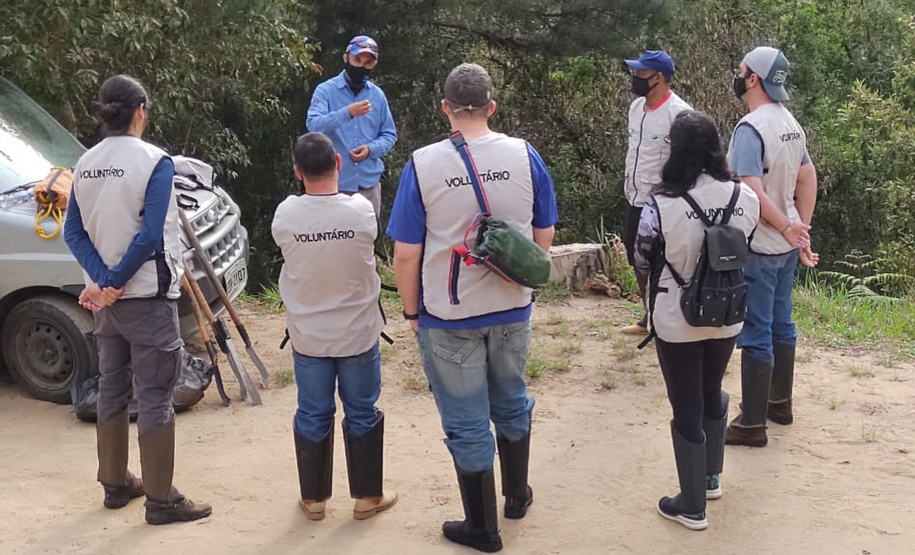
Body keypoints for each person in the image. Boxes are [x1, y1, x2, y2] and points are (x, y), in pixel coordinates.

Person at [388, 63, 558, 553]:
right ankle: (517, 495)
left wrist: (412, 312)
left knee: (465, 419)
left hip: (449, 313)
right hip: (512, 306)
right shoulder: (525, 156)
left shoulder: (422, 165)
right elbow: (543, 231)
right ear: (492, 107)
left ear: (446, 109)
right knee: (511, 398)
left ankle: (482, 529)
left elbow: (406, 252)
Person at [64, 75, 211, 525]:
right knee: (154, 394)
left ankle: (115, 482)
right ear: (141, 110)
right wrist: (119, 281)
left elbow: (73, 230)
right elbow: (150, 234)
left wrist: (105, 283)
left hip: (103, 301)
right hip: (147, 295)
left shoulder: (84, 163)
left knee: (112, 384)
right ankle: (161, 499)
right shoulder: (155, 162)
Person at [635, 111, 760, 530]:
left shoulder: (662, 203)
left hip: (676, 315)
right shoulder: (746, 197)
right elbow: (748, 244)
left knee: (684, 404)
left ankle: (691, 507)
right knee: (711, 389)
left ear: (675, 150)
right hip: (727, 313)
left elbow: (642, 255)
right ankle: (709, 478)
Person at [272, 132, 396, 521]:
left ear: (297, 172)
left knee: (312, 412)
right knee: (362, 410)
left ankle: (314, 500)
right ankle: (366, 497)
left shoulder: (286, 216)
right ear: (338, 163)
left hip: (309, 335)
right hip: (358, 331)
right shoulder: (360, 211)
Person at [725, 47, 819, 448]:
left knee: (757, 330)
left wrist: (783, 227)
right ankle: (780, 404)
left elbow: (750, 188)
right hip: (783, 246)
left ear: (752, 79)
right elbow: (808, 177)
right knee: (783, 323)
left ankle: (751, 424)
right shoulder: (790, 124)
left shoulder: (751, 127)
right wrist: (800, 227)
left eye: (742, 70)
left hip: (760, 245)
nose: (738, 74)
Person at [620, 49, 693, 335]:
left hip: (664, 203)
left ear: (658, 77)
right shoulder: (636, 108)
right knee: (634, 257)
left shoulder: (679, 113)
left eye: (639, 73)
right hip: (634, 197)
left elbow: (687, 161)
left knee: (664, 262)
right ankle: (648, 316)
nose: (634, 78)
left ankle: (667, 320)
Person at [306, 35, 397, 220]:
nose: (361, 66)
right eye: (357, 60)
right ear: (346, 58)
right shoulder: (325, 91)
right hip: (334, 187)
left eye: (368, 63)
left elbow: (389, 134)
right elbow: (313, 126)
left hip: (368, 186)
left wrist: (371, 149)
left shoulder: (377, 96)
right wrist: (347, 113)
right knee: (334, 243)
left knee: (367, 242)